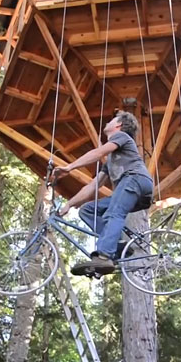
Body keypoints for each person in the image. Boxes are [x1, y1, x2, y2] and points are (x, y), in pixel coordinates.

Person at [53, 110, 154, 276]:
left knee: (114, 213)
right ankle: (117, 244)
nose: (108, 122)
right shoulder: (112, 161)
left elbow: (97, 153)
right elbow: (93, 186)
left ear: (119, 125)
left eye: (112, 120)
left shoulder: (122, 136)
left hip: (134, 180)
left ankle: (104, 255)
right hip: (134, 188)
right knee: (87, 210)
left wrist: (70, 167)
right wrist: (69, 205)